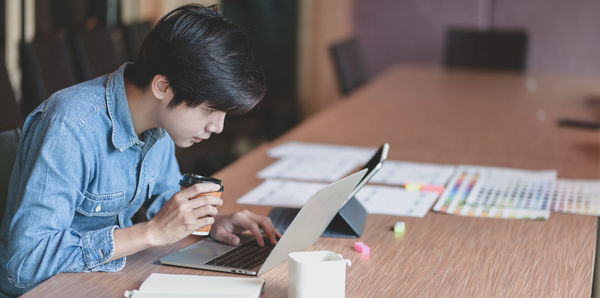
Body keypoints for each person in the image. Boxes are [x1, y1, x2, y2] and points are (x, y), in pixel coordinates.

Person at [0, 4, 280, 297]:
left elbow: (163, 203)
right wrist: (150, 232)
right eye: (210, 109)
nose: (218, 127)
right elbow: (26, 263)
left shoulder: (160, 124)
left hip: (102, 280)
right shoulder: (70, 127)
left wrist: (208, 224)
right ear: (163, 86)